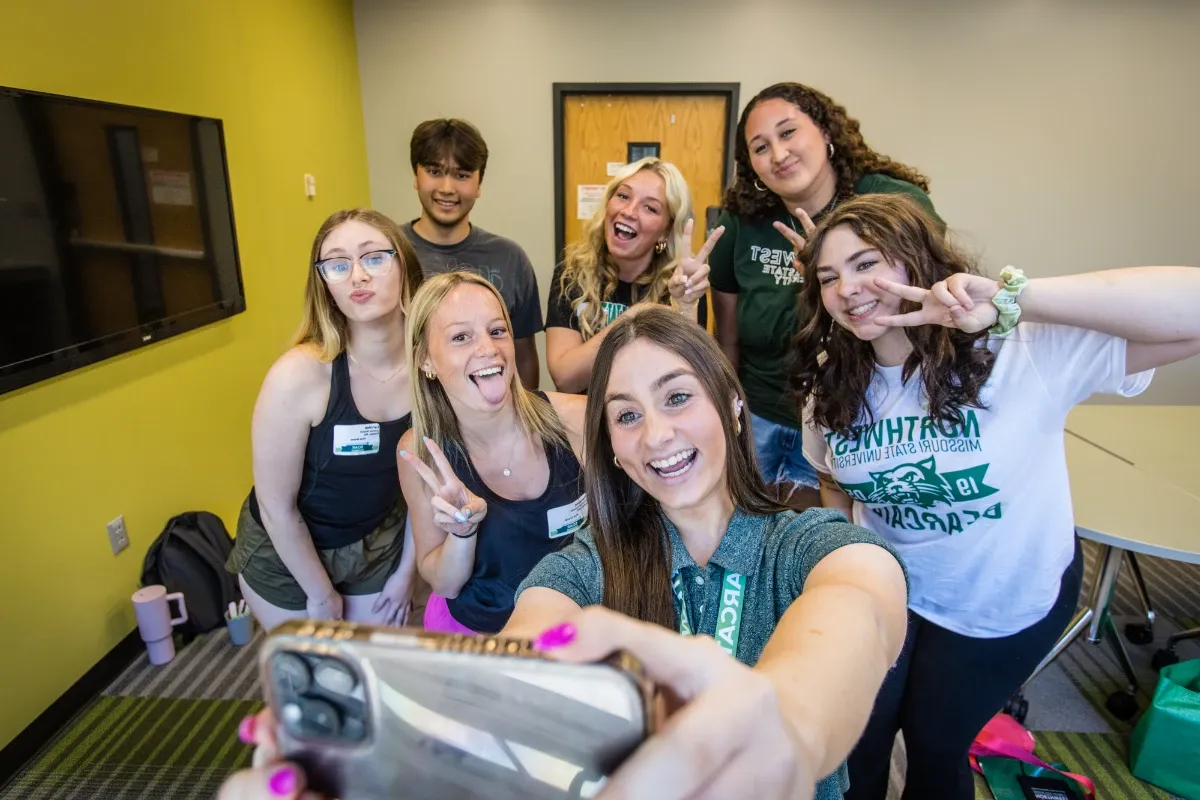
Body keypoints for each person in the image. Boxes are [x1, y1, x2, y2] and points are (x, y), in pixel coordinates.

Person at [216, 307, 909, 800]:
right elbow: (532, 638)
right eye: (628, 415)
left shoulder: (806, 544)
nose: (658, 435)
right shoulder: (587, 562)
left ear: (731, 403)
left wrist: (791, 728)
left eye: (677, 397)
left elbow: (862, 606)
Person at [790, 193, 1200, 800]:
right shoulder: (833, 381)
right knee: (860, 745)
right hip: (890, 596)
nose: (848, 288)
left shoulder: (1021, 352)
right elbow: (832, 481)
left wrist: (1014, 298)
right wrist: (848, 571)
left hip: (999, 602)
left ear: (918, 261)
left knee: (934, 746)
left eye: (867, 263)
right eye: (829, 276)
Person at [708, 81, 940, 508]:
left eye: (788, 132)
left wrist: (826, 279)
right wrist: (728, 415)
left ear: (827, 132)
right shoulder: (742, 221)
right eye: (760, 147)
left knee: (826, 547)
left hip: (856, 413)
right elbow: (728, 337)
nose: (778, 154)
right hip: (756, 414)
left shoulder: (890, 201)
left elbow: (925, 313)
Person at [226, 209, 424, 632]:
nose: (357, 276)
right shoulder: (297, 376)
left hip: (377, 538)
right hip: (286, 552)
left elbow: (423, 490)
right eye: (337, 264)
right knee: (319, 681)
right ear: (325, 285)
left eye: (374, 258)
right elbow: (276, 507)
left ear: (404, 266)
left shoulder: (433, 368)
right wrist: (320, 592)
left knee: (377, 671)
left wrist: (407, 574)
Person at [396, 271, 588, 635]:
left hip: (570, 638)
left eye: (497, 331)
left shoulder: (574, 419)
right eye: (461, 337)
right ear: (425, 360)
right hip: (476, 638)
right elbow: (443, 583)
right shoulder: (420, 451)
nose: (488, 348)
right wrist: (463, 534)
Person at [546, 157, 719, 393]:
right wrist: (635, 316)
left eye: (650, 208)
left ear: (666, 232)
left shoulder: (681, 286)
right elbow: (565, 378)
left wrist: (685, 308)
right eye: (623, 196)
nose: (628, 212)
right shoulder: (571, 273)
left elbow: (687, 384)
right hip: (582, 420)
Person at [402, 118, 544, 389]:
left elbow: (523, 355)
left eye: (462, 175)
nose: (447, 188)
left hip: (489, 419)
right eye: (434, 171)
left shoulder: (510, 258)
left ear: (479, 184)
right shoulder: (390, 253)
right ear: (416, 177)